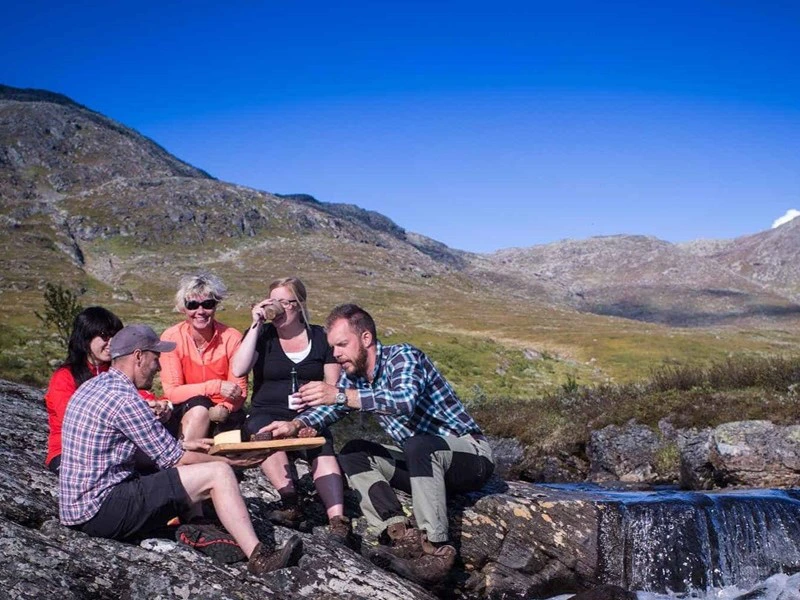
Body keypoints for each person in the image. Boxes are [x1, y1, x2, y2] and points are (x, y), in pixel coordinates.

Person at [264, 304, 495, 585]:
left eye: (342, 345)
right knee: (354, 451)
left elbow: (403, 400)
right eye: (332, 347)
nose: (335, 354)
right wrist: (295, 425)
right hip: (422, 463)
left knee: (419, 445)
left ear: (366, 338)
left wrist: (338, 395)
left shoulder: (404, 356)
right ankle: (399, 532)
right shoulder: (356, 376)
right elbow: (331, 409)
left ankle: (435, 550)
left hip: (468, 456)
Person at [59, 324, 302, 574]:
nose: (159, 367)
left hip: (80, 508)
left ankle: (196, 526)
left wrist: (183, 444)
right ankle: (259, 557)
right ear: (138, 356)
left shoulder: (96, 386)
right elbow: (176, 460)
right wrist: (235, 461)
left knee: (186, 472)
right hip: (103, 510)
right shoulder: (125, 399)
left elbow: (145, 449)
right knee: (218, 473)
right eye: (155, 359)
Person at [231, 277, 350, 543]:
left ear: (300, 305)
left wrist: (316, 406)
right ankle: (291, 502)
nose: (280, 309)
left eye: (286, 302)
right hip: (267, 409)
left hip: (308, 411)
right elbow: (238, 369)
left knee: (321, 443)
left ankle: (338, 521)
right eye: (274, 302)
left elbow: (333, 386)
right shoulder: (262, 336)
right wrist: (255, 324)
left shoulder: (320, 337)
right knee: (264, 432)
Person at [44, 306, 161, 473]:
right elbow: (74, 420)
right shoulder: (65, 377)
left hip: (108, 449)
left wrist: (155, 403)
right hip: (67, 452)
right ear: (86, 338)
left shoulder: (113, 372)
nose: (111, 343)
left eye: (115, 336)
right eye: (105, 336)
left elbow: (137, 394)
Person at [160, 274, 247, 441]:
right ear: (183, 308)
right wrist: (215, 387)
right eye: (192, 305)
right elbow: (172, 393)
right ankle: (184, 459)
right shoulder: (171, 338)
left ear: (215, 306)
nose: (200, 311)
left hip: (224, 414)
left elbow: (239, 391)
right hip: (186, 412)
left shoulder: (232, 338)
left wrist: (225, 407)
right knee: (199, 406)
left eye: (207, 304)